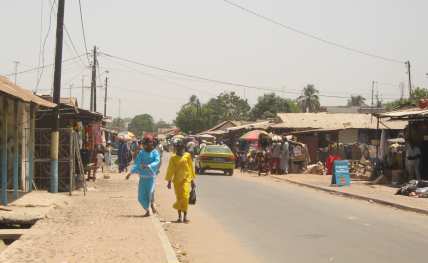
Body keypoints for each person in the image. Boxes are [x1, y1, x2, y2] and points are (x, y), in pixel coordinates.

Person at [126, 135, 160, 217]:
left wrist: (149, 165)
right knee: (140, 197)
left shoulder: (155, 152)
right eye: (144, 144)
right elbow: (137, 164)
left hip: (151, 177)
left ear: (151, 144)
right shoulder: (141, 153)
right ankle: (147, 210)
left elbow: (157, 161)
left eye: (146, 144)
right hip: (142, 178)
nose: (145, 146)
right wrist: (130, 173)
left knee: (150, 193)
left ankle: (152, 205)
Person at [165, 138, 196, 223]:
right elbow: (170, 170)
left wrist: (193, 181)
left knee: (185, 197)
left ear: (184, 148)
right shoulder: (173, 158)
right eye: (178, 149)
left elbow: (190, 168)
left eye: (181, 148)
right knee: (179, 198)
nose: (180, 150)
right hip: (177, 182)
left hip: (186, 180)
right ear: (176, 149)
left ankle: (185, 217)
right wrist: (169, 182)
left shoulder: (187, 156)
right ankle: (179, 217)